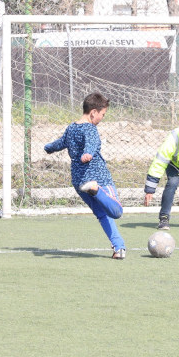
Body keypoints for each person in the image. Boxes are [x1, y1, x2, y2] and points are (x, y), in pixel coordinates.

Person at [44, 92, 127, 259]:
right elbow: (92, 142)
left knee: (102, 214)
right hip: (98, 178)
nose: (102, 118)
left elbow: (61, 142)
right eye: (103, 114)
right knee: (116, 211)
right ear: (93, 112)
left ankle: (119, 248)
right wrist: (88, 152)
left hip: (79, 181)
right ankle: (97, 190)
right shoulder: (90, 128)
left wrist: (49, 147)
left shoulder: (71, 128)